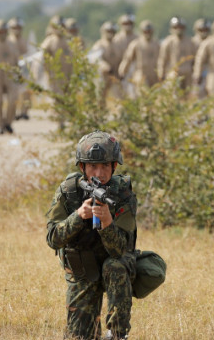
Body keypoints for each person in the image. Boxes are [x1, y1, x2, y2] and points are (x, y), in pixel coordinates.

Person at [46, 130, 138, 340]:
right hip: (82, 270)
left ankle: (117, 334)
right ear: (82, 167)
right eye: (93, 166)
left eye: (106, 166)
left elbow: (121, 250)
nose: (100, 173)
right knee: (79, 337)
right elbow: (52, 238)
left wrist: (107, 223)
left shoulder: (123, 194)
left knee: (115, 266)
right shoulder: (69, 191)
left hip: (115, 268)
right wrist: (77, 217)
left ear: (115, 166)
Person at [119, 20, 160, 95]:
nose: (147, 33)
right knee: (143, 95)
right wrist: (122, 71)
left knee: (154, 97)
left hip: (154, 75)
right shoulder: (136, 44)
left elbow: (162, 60)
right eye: (145, 31)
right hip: (141, 74)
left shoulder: (157, 44)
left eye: (149, 31)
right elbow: (127, 59)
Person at [157, 16, 197, 91]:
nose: (179, 29)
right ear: (172, 28)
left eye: (181, 27)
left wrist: (196, 73)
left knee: (188, 96)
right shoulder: (168, 42)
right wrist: (161, 73)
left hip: (188, 74)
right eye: (176, 27)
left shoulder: (190, 42)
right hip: (174, 73)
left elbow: (196, 60)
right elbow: (162, 59)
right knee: (174, 95)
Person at [8, 17, 32, 120]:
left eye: (18, 27)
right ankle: (13, 113)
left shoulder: (24, 40)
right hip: (12, 70)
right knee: (14, 93)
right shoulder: (8, 41)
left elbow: (29, 54)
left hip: (23, 69)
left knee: (26, 92)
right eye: (14, 27)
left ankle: (24, 111)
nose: (16, 29)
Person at [93, 21, 122, 106]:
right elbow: (96, 59)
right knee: (100, 98)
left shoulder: (117, 45)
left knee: (120, 97)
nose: (110, 33)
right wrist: (105, 67)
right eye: (108, 31)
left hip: (115, 77)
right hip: (103, 77)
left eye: (112, 31)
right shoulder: (99, 45)